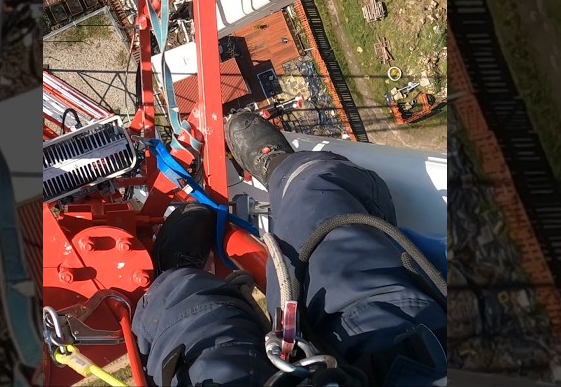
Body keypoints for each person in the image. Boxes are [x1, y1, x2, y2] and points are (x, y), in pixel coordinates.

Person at [132, 112, 447, 386]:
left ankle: (172, 278)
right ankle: (286, 170)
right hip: (403, 356)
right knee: (321, 210)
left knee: (197, 335)